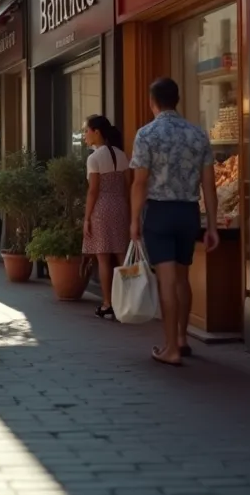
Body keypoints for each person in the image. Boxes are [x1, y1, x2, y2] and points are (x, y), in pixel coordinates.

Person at [129, 77, 218, 366]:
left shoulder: (146, 134)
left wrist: (134, 220)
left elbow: (140, 183)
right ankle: (182, 337)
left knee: (166, 281)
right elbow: (209, 183)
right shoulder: (197, 134)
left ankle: (171, 349)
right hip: (188, 212)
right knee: (182, 277)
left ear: (151, 101)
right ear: (177, 100)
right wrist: (213, 225)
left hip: (159, 212)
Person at [82, 114, 132, 320]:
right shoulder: (121, 155)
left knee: (103, 258)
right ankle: (127, 301)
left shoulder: (94, 158)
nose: (84, 135)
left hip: (101, 209)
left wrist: (86, 217)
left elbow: (93, 190)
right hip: (120, 205)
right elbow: (128, 185)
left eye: (86, 130)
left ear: (97, 132)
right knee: (122, 255)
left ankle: (107, 303)